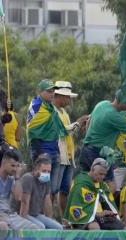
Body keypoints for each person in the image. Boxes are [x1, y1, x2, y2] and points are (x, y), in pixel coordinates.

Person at [51, 81, 86, 218]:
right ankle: (51, 218)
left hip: (68, 155)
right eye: (67, 96)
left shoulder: (64, 112)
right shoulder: (52, 111)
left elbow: (68, 132)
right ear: (59, 95)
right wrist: (78, 122)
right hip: (59, 154)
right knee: (53, 189)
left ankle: (64, 219)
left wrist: (79, 126)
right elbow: (61, 131)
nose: (69, 99)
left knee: (65, 190)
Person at [0, 149, 39, 230]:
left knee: (34, 228)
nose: (15, 169)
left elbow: (18, 198)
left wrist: (17, 178)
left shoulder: (12, 179)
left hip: (11, 215)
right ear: (4, 163)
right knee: (3, 226)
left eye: (17, 166)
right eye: (12, 166)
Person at [26, 79, 65, 186]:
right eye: (49, 91)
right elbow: (32, 131)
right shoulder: (36, 106)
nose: (52, 94)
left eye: (53, 91)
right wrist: (40, 153)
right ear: (40, 92)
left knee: (54, 189)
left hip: (54, 151)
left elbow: (57, 130)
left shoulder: (51, 108)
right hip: (42, 152)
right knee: (41, 187)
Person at [67, 158, 123, 229]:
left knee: (125, 227)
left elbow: (108, 202)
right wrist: (98, 214)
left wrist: (110, 212)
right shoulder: (80, 183)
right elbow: (75, 209)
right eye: (100, 174)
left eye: (104, 174)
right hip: (83, 218)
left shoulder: (102, 185)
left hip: (101, 217)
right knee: (94, 227)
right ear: (92, 169)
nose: (102, 177)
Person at [14, 154, 61, 229]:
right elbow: (24, 202)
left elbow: (47, 202)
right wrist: (24, 220)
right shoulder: (28, 178)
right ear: (36, 169)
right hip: (23, 214)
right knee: (41, 227)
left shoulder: (47, 180)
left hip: (36, 214)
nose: (46, 174)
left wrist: (50, 219)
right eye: (44, 171)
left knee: (58, 227)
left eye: (49, 171)